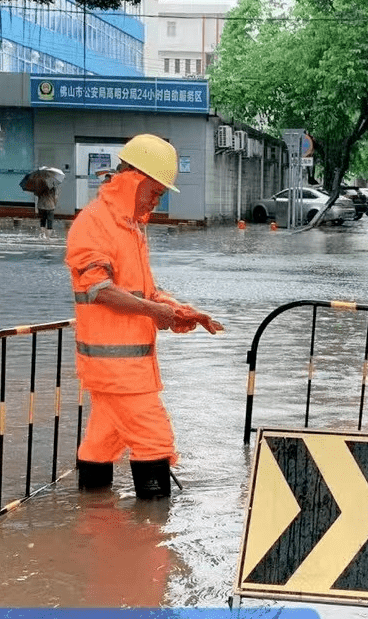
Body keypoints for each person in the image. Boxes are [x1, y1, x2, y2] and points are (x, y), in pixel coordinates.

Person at [65, 134, 223, 499]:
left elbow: (146, 292)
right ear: (133, 179)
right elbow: (98, 290)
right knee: (154, 441)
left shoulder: (130, 229)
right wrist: (155, 311)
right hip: (118, 371)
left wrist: (181, 311)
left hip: (124, 369)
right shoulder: (94, 223)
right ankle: (153, 542)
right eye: (154, 191)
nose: (157, 200)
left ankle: (95, 527)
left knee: (101, 444)